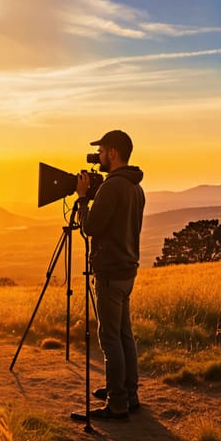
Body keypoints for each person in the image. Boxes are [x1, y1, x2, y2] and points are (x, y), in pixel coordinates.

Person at [72, 129, 145, 422]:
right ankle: (129, 393)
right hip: (127, 271)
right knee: (125, 336)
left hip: (110, 272)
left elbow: (90, 227)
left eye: (101, 151)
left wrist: (82, 199)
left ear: (112, 153)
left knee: (110, 339)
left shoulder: (113, 187)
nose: (98, 157)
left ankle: (116, 404)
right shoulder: (134, 186)